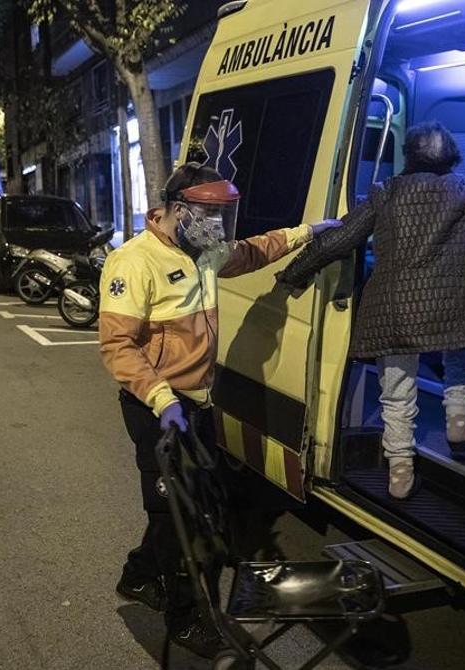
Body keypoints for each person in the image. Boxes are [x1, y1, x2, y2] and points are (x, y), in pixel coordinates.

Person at [98, 163, 340, 658]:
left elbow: (251, 252)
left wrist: (306, 233)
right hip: (157, 406)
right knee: (188, 518)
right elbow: (118, 347)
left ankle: (138, 576)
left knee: (181, 507)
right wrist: (163, 399)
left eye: (223, 217)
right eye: (210, 215)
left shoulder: (203, 252)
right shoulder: (133, 261)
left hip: (195, 403)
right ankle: (185, 619)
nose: (218, 229)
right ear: (178, 209)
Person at [276, 122, 465, 500]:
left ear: (409, 156)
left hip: (396, 307)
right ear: (451, 154)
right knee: (461, 353)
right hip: (454, 298)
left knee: (397, 389)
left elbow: (340, 238)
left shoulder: (384, 192)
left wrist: (293, 273)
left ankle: (400, 469)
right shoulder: (464, 186)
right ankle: (457, 421)